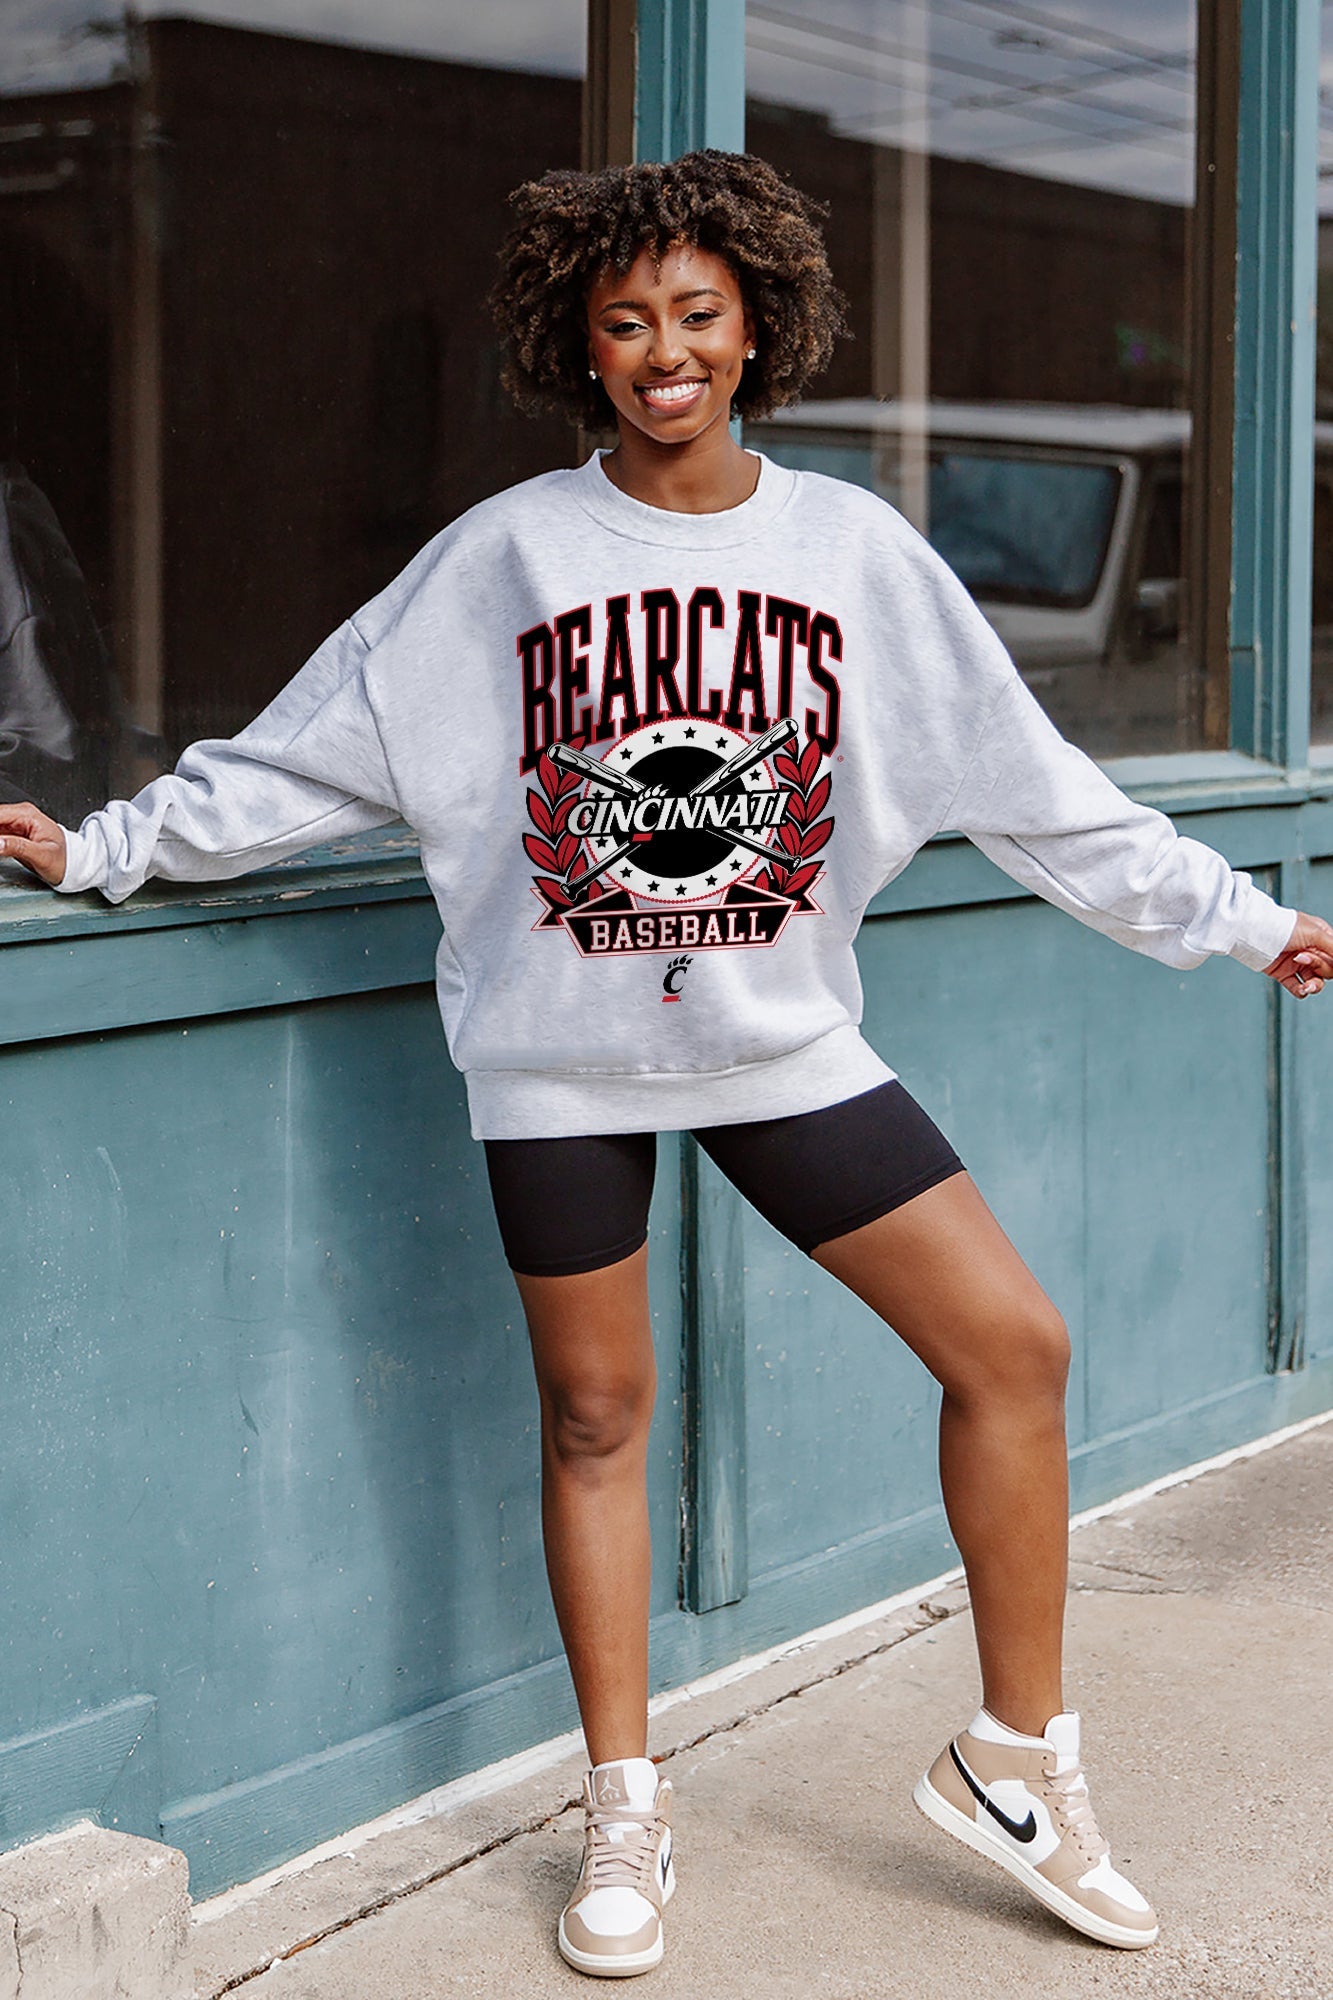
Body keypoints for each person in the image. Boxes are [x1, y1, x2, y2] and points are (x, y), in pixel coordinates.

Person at [2, 150, 1331, 1979]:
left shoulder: (852, 553)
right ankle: (622, 1805)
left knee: (1012, 1349)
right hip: (559, 1059)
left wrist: (1245, 922)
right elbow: (316, 751)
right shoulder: (506, 558)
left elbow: (1036, 788)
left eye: (697, 313)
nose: (664, 351)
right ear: (580, 345)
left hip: (781, 1047)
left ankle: (1017, 1762)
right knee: (596, 1416)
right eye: (624, 322)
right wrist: (110, 846)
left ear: (758, 323)